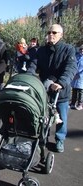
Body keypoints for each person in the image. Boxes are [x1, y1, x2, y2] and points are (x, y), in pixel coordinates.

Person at [28, 24, 77, 153]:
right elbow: (34, 64)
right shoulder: (41, 50)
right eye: (49, 32)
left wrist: (61, 82)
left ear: (61, 35)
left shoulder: (68, 49)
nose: (51, 34)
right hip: (44, 90)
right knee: (43, 116)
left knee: (61, 118)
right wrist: (28, 75)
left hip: (60, 92)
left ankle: (60, 139)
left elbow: (71, 68)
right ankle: (43, 137)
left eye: (54, 32)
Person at [70, 45, 83, 110]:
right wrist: (73, 73)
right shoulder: (77, 56)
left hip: (81, 77)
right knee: (74, 90)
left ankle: (80, 104)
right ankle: (73, 103)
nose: (82, 50)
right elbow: (73, 64)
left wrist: (79, 75)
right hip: (74, 76)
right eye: (81, 49)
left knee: (80, 91)